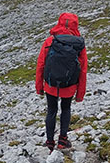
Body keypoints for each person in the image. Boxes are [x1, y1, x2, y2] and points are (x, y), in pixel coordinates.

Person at [35, 12, 88, 151]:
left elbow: (41, 64)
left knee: (51, 110)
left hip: (51, 84)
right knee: (66, 108)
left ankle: (49, 141)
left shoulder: (50, 41)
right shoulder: (79, 44)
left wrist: (39, 86)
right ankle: (62, 140)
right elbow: (83, 70)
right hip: (69, 85)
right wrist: (80, 94)